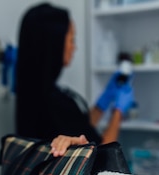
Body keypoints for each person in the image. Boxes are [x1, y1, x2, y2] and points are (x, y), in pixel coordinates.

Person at [15, 3, 134, 156]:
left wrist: (103, 103)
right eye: (72, 39)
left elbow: (80, 129)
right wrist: (118, 111)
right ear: (55, 44)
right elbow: (103, 153)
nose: (74, 47)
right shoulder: (56, 104)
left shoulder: (31, 93)